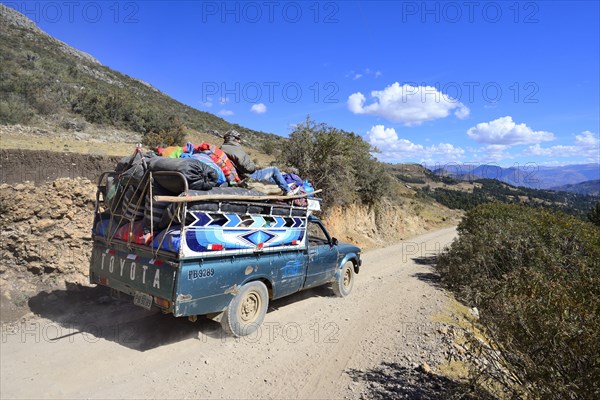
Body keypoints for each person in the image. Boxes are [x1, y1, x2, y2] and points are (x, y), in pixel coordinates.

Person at [220, 130, 295, 195]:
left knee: (269, 175)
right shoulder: (234, 148)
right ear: (232, 138)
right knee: (274, 170)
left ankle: (283, 186)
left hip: (239, 176)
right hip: (247, 176)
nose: (239, 141)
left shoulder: (222, 148)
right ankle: (288, 191)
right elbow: (248, 168)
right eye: (238, 138)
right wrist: (255, 167)